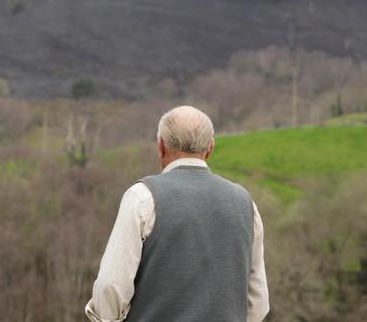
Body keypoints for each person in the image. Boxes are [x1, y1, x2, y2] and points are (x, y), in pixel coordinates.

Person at [85, 105, 269, 321]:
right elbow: (258, 303)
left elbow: (110, 287)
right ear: (210, 148)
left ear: (161, 146)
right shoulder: (246, 204)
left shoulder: (142, 198)